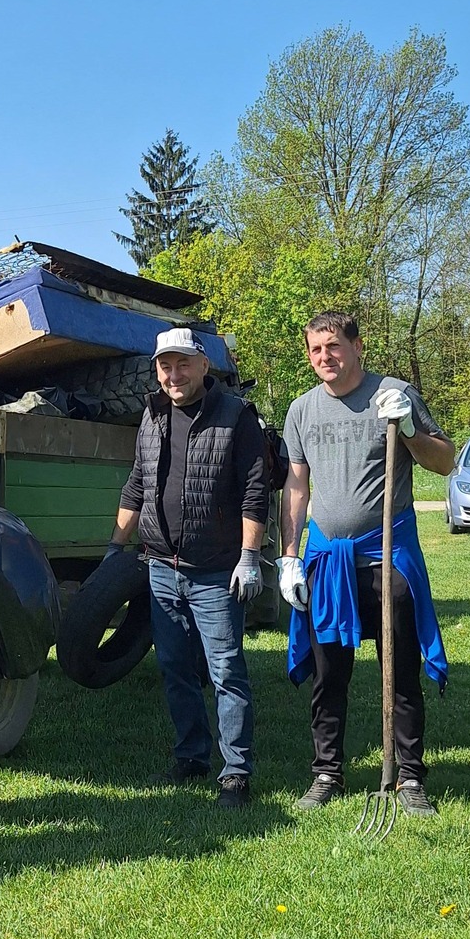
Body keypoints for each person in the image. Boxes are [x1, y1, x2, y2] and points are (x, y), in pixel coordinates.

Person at [279, 310, 455, 814]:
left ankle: (410, 778)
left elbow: (444, 461)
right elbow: (296, 483)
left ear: (358, 346)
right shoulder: (301, 411)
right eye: (314, 350)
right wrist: (290, 556)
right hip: (326, 561)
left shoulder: (393, 393)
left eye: (333, 346)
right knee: (328, 672)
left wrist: (407, 427)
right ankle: (327, 772)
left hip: (385, 554)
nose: (324, 358)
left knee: (398, 669)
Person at [108, 327, 270, 807]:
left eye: (182, 364)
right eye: (165, 365)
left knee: (225, 671)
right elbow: (137, 482)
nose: (173, 375)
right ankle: (192, 756)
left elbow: (254, 491)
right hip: (161, 567)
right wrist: (117, 547)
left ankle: (236, 772)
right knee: (174, 666)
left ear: (203, 365)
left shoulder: (236, 416)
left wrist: (249, 557)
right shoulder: (153, 415)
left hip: (216, 571)